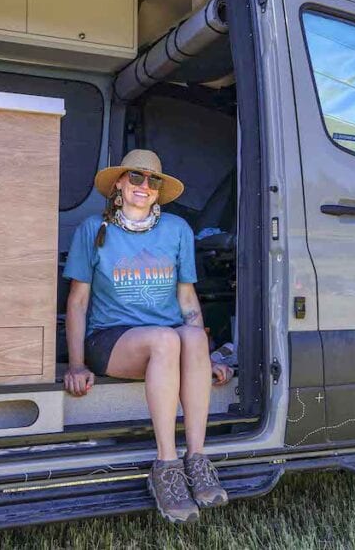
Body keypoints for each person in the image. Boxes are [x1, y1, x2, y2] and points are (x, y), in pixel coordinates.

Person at [62, 149, 233, 524]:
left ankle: (197, 459)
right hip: (111, 339)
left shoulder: (177, 230)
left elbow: (188, 300)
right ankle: (166, 467)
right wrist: (75, 364)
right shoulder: (94, 229)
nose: (144, 186)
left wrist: (205, 359)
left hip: (168, 338)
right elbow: (77, 302)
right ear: (119, 184)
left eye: (152, 180)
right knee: (167, 339)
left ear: (159, 190)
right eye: (136, 178)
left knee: (191, 338)